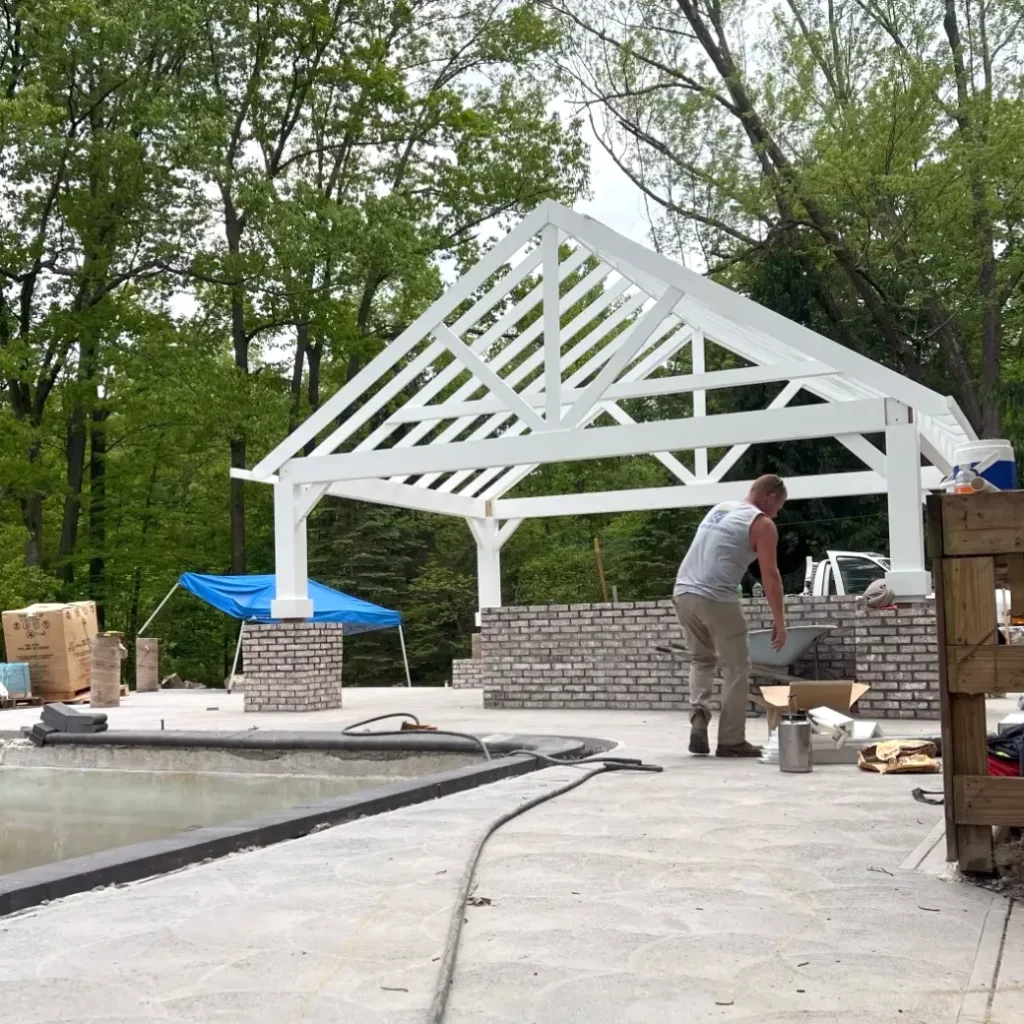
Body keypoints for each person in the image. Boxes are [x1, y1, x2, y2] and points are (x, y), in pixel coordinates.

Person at [673, 474, 788, 757]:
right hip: (715, 598)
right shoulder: (762, 524)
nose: (778, 512)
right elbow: (770, 576)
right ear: (771, 497)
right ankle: (731, 740)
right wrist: (780, 622)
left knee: (702, 659)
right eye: (779, 506)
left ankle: (699, 717)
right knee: (736, 668)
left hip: (682, 593)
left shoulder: (721, 508)